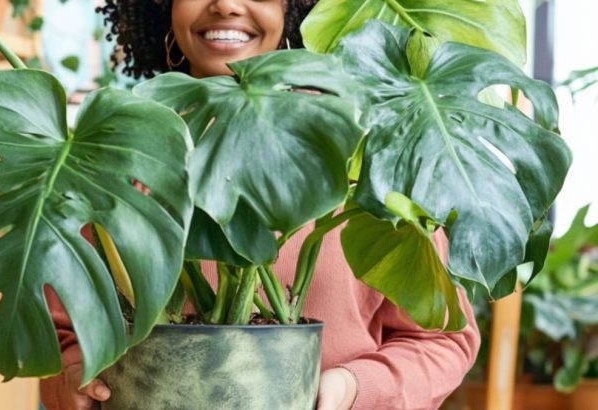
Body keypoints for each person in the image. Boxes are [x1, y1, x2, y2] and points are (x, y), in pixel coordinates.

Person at [40, 1, 480, 409]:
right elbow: (62, 332)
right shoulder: (116, 157)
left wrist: (353, 387)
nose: (227, 4)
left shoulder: (357, 146)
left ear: (292, 6)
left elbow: (440, 339)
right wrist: (75, 377)